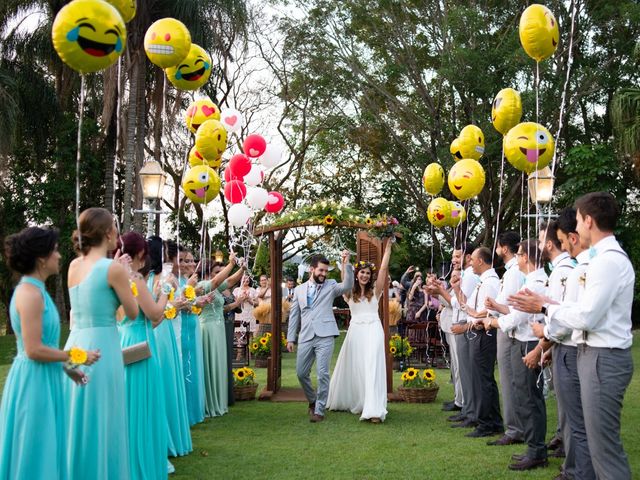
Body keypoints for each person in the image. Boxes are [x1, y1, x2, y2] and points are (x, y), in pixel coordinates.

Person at [511, 192, 633, 479]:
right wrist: (548, 305)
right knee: (597, 443)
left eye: (577, 220)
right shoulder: (599, 260)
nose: (574, 229)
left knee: (605, 449)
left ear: (589, 221)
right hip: (595, 354)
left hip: (604, 357)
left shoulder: (607, 261)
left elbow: (587, 316)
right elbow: (581, 309)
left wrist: (543, 306)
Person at [0, 227, 99, 479]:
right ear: (41, 258)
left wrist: (70, 372)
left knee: (47, 443)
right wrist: (77, 356)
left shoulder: (37, 291)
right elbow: (33, 350)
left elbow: (43, 346)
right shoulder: (29, 294)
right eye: (54, 251)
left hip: (45, 377)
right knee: (36, 445)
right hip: (33, 382)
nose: (59, 256)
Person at [64, 207, 139, 478]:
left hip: (75, 345)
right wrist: (127, 276)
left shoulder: (73, 266)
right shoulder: (112, 269)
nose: (118, 234)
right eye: (115, 229)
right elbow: (131, 312)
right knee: (104, 414)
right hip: (103, 346)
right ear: (108, 233)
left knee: (78, 414)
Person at [484, 239, 548, 471]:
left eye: (520, 254)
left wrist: (492, 322)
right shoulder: (531, 280)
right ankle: (534, 448)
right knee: (525, 397)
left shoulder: (535, 283)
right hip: (524, 339)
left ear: (527, 258)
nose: (517, 258)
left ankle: (536, 450)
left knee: (530, 399)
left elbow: (517, 318)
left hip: (529, 341)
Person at [117, 232, 169, 480]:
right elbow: (155, 313)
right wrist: (166, 293)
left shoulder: (113, 275)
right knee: (143, 400)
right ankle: (141, 460)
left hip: (123, 338)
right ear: (140, 255)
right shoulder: (135, 279)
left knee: (128, 400)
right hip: (140, 345)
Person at [327, 241, 393, 423]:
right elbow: (344, 279)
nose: (365, 275)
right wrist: (345, 262)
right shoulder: (348, 292)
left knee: (373, 365)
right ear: (356, 275)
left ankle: (374, 410)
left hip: (373, 329)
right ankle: (360, 400)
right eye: (361, 272)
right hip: (356, 331)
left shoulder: (375, 290)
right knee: (357, 367)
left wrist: (387, 249)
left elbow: (383, 270)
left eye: (367, 273)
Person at [286, 251, 354, 422]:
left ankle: (320, 410)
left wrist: (346, 263)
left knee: (322, 373)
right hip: (306, 336)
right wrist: (290, 338)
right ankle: (313, 400)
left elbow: (347, 285)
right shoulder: (299, 290)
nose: (324, 274)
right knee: (301, 373)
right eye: (321, 271)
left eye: (326, 271)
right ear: (312, 269)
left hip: (325, 335)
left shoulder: (331, 285)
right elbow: (294, 315)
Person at [452, 246, 502, 438]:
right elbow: (467, 305)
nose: (470, 262)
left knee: (483, 379)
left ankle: (486, 422)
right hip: (477, 331)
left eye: (472, 259)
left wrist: (473, 316)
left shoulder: (490, 282)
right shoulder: (484, 281)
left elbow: (488, 311)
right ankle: (492, 420)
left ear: (481, 261)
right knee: (480, 378)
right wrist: (456, 288)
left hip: (483, 334)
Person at [149, 237, 192, 459]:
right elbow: (154, 308)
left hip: (165, 329)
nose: (171, 257)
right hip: (157, 330)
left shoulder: (168, 278)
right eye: (166, 252)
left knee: (168, 378)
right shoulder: (153, 278)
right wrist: (173, 305)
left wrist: (177, 304)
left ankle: (170, 434)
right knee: (160, 379)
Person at [483, 231, 525, 447]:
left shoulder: (515, 272)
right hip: (504, 325)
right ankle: (515, 426)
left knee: (510, 381)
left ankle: (515, 428)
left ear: (504, 248)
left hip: (509, 329)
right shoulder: (511, 271)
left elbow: (510, 306)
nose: (496, 250)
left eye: (498, 246)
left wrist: (494, 309)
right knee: (508, 380)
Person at [538, 220, 576, 459]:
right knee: (564, 400)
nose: (538, 245)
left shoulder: (563, 272)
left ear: (550, 244)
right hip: (557, 343)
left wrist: (545, 340)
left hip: (565, 343)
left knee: (570, 404)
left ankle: (569, 449)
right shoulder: (559, 271)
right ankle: (563, 438)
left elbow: (561, 314)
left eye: (541, 240)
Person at [196, 254, 245, 417]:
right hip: (208, 328)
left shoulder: (216, 288)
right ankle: (210, 402)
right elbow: (217, 281)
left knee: (218, 363)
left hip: (218, 328)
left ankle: (218, 400)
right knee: (211, 362)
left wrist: (242, 269)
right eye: (217, 271)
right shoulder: (203, 285)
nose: (220, 273)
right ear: (209, 272)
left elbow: (230, 281)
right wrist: (231, 264)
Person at [175, 247, 206, 426]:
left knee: (192, 367)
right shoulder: (179, 282)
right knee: (185, 367)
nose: (190, 264)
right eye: (185, 260)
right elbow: (180, 305)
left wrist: (200, 302)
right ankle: (185, 411)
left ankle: (193, 410)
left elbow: (193, 307)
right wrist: (190, 290)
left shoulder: (187, 281)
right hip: (183, 328)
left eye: (191, 260)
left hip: (193, 326)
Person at [222, 287, 243, 406]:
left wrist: (239, 302)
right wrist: (236, 303)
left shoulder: (228, 290)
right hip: (221, 324)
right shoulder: (215, 289)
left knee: (228, 357)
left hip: (230, 324)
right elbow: (220, 309)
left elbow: (238, 309)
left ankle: (229, 392)